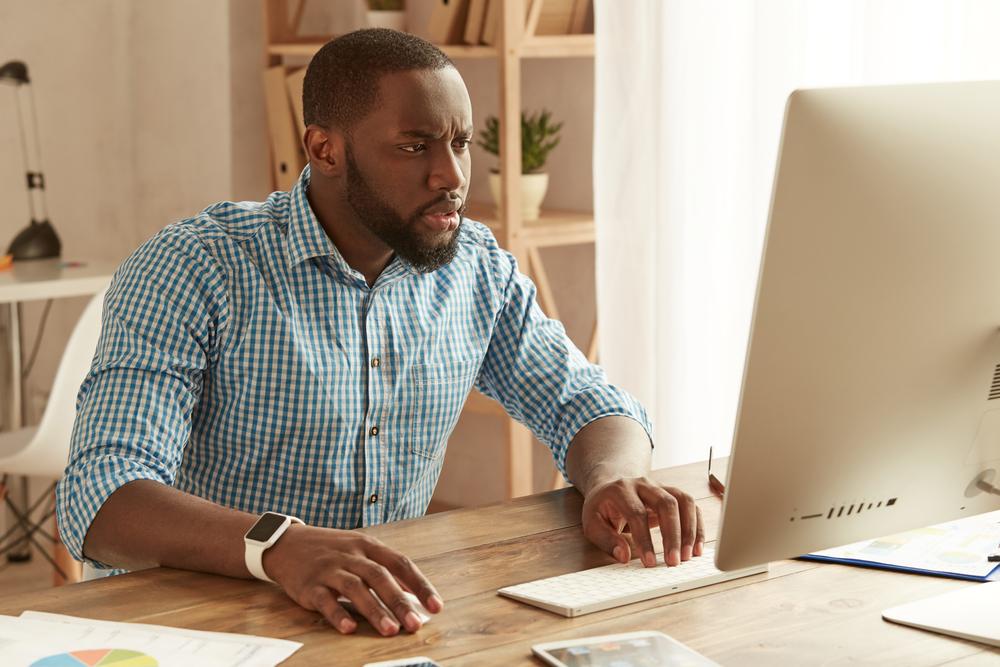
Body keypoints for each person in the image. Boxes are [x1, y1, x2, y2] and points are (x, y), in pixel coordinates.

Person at [56, 29, 704, 638]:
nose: (450, 175)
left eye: (461, 143)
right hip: (189, 628)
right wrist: (278, 544)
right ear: (324, 149)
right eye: (415, 145)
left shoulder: (475, 267)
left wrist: (614, 479)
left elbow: (590, 404)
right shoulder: (193, 267)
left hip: (375, 624)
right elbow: (102, 493)